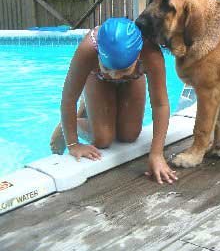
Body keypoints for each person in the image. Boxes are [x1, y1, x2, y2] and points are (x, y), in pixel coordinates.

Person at [50, 17, 177, 184]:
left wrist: (157, 154)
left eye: (123, 70)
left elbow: (160, 104)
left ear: (138, 56)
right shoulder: (89, 49)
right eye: (107, 68)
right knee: (103, 139)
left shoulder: (150, 53)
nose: (114, 75)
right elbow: (68, 98)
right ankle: (73, 121)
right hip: (97, 79)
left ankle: (88, 106)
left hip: (133, 80)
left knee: (129, 135)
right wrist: (73, 144)